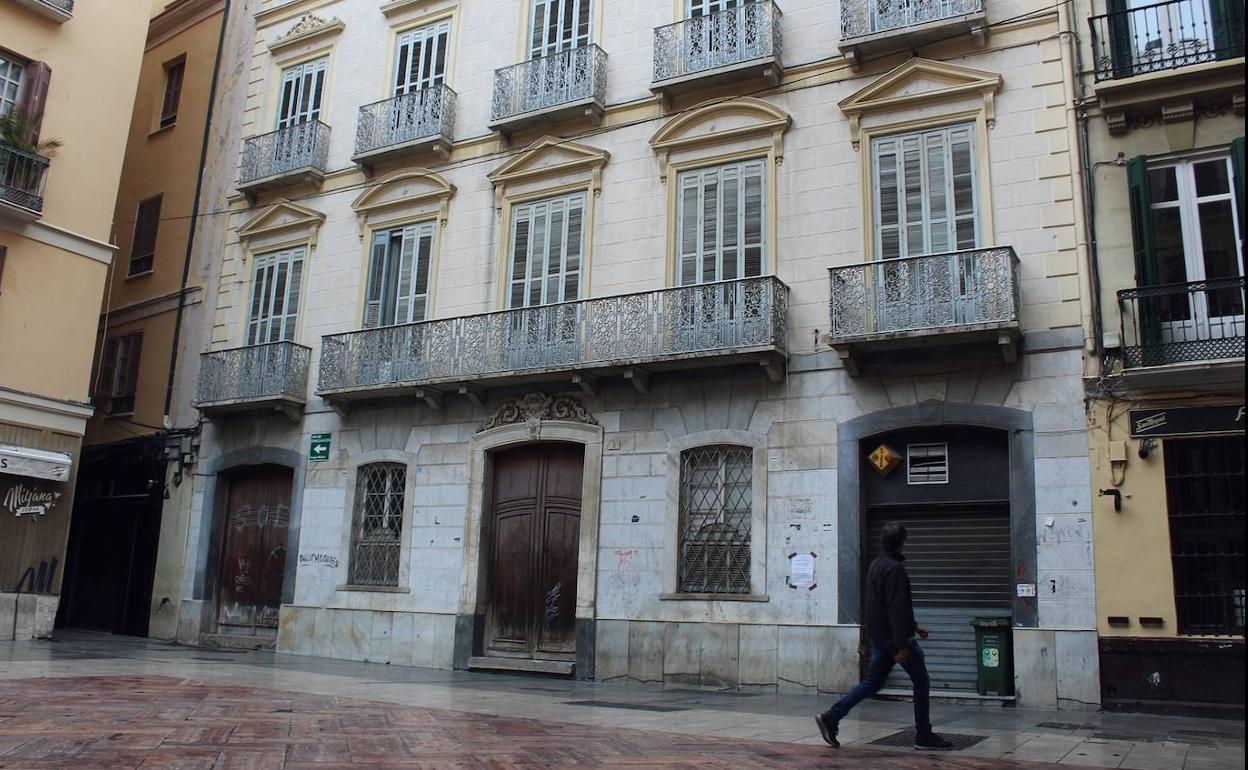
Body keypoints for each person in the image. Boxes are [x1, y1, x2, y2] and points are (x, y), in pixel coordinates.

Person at [815, 522, 953, 751]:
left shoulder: (876, 565)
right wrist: (901, 643)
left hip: (881, 638)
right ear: (902, 543)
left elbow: (883, 606)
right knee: (921, 681)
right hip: (895, 639)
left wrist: (915, 627)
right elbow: (896, 607)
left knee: (872, 683)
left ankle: (832, 716)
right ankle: (924, 735)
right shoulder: (895, 569)